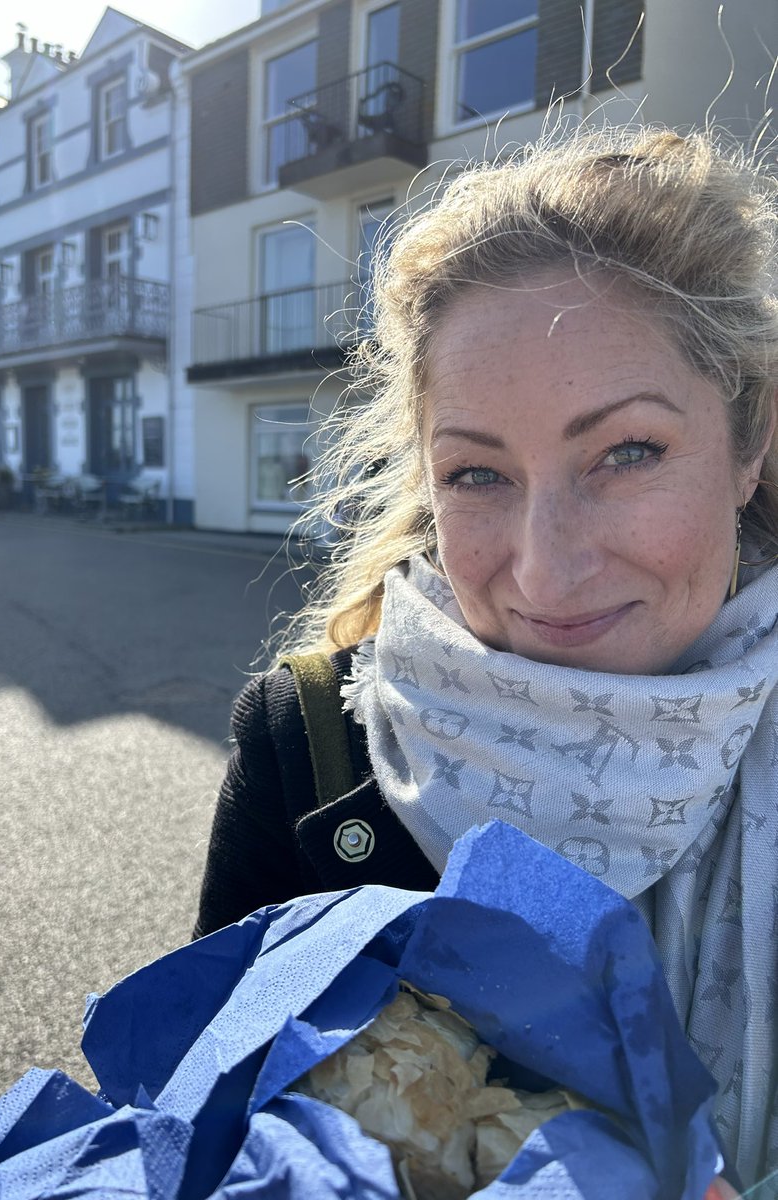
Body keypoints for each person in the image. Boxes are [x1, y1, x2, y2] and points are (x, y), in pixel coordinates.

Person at [194, 127, 778, 1192]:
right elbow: (205, 1130)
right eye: (477, 475)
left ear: (751, 445)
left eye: (628, 453)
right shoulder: (308, 750)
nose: (546, 574)